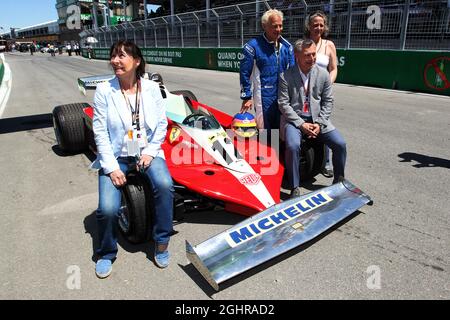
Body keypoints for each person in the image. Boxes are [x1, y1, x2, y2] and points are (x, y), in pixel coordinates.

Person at [91, 40, 174, 278]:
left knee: (165, 185)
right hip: (116, 156)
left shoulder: (150, 88)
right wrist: (111, 167)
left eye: (121, 56)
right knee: (107, 209)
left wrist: (150, 152)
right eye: (113, 56)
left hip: (147, 151)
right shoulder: (104, 90)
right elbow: (100, 132)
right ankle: (106, 252)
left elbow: (160, 124)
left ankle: (161, 242)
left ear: (136, 61)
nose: (115, 61)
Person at [278, 39, 346, 197]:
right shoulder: (285, 76)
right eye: (307, 55)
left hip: (317, 120)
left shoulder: (323, 74)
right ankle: (295, 186)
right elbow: (283, 104)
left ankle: (339, 181)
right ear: (297, 56)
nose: (312, 58)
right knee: (293, 145)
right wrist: (301, 124)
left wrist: (320, 123)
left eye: (314, 54)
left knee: (340, 144)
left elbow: (328, 101)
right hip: (294, 121)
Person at [240, 9, 295, 131]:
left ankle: (279, 150)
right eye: (275, 26)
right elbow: (245, 73)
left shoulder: (288, 47)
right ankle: (267, 149)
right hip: (263, 96)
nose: (278, 29)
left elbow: (293, 73)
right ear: (264, 26)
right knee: (266, 130)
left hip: (283, 96)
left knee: (283, 130)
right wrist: (246, 97)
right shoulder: (252, 47)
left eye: (280, 26)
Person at [304, 10, 338, 178]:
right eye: (315, 24)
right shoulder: (303, 43)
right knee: (306, 124)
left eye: (321, 25)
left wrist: (327, 85)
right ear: (309, 26)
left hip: (322, 93)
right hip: (304, 92)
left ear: (325, 27)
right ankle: (309, 157)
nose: (318, 27)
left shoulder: (329, 45)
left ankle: (326, 162)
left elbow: (334, 68)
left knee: (323, 124)